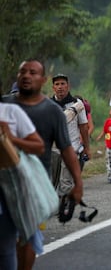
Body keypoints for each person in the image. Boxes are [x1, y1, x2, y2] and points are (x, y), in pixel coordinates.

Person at [4, 59, 83, 270]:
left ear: (43, 79)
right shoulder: (5, 106)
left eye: (33, 72)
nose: (27, 76)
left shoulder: (52, 111)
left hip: (33, 184)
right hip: (3, 181)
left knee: (26, 235)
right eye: (22, 72)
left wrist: (78, 183)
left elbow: (67, 149)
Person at [0, 93, 44, 270]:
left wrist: (10, 138)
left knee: (6, 249)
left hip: (11, 190)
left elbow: (39, 146)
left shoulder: (10, 113)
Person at [51, 74, 91, 191]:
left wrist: (87, 148)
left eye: (63, 84)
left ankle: (65, 208)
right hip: (53, 150)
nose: (60, 87)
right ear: (53, 87)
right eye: (57, 84)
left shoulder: (77, 103)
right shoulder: (48, 104)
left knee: (66, 183)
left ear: (68, 86)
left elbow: (83, 126)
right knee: (51, 183)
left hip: (71, 148)